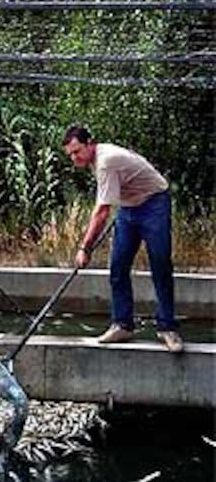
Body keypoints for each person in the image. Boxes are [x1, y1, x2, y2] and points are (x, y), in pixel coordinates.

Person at [62, 125, 183, 353]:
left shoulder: (106, 161)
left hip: (154, 202)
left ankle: (167, 328)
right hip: (128, 209)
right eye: (70, 154)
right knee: (118, 266)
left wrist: (84, 248)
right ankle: (123, 325)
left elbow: (101, 212)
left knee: (160, 263)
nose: (74, 158)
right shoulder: (95, 161)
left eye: (77, 151)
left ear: (90, 144)